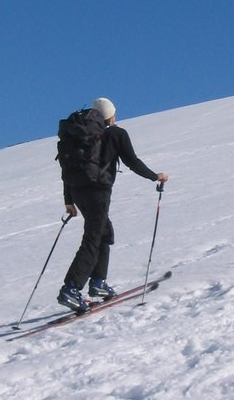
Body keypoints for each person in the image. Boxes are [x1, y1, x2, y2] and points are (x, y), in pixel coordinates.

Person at [58, 97, 168, 312]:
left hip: (78, 191)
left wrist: (69, 200)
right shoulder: (116, 133)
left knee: (104, 232)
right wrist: (155, 176)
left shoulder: (80, 134)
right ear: (111, 115)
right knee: (93, 238)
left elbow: (67, 168)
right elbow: (132, 161)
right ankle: (70, 289)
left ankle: (98, 282)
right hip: (98, 191)